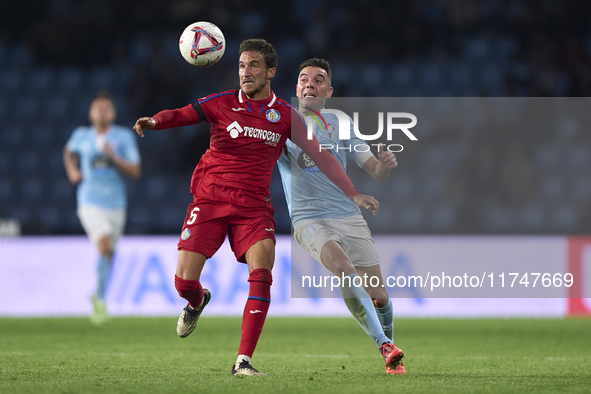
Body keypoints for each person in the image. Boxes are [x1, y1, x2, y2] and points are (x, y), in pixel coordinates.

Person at [132, 39, 379, 376]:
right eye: (241, 66)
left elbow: (323, 156)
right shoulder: (221, 103)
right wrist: (156, 122)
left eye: (254, 66)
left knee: (262, 275)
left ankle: (243, 362)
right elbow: (182, 115)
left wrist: (353, 194)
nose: (245, 73)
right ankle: (196, 300)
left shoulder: (285, 117)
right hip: (210, 200)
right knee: (183, 283)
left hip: (254, 209)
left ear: (271, 72)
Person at [277, 58, 405, 374]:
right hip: (309, 219)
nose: (310, 84)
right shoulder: (279, 121)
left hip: (348, 216)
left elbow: (373, 170)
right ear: (296, 88)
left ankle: (389, 353)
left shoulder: (339, 121)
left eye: (318, 80)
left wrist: (384, 165)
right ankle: (384, 345)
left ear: (329, 90)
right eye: (304, 79)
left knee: (379, 298)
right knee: (343, 268)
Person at [63, 91, 142, 325]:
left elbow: (135, 171)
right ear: (90, 113)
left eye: (106, 107)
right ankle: (99, 298)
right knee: (104, 244)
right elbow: (68, 152)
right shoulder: (81, 135)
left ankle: (99, 296)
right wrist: (72, 171)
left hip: (116, 204)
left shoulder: (123, 137)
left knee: (108, 253)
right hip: (89, 201)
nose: (102, 111)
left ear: (114, 113)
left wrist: (113, 156)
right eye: (97, 107)